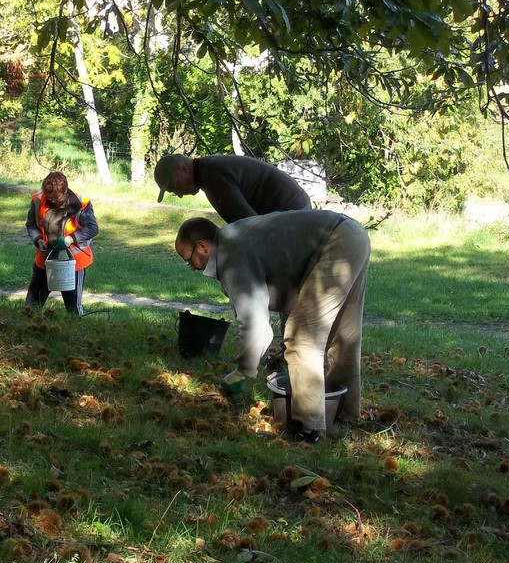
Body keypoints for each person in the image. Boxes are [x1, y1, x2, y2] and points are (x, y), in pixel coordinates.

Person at [174, 210, 370, 442]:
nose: (192, 268)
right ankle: (345, 414)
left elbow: (257, 327)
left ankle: (308, 429)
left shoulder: (231, 257)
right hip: (352, 235)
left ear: (203, 247)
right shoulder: (233, 238)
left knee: (300, 338)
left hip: (335, 243)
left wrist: (242, 371)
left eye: (189, 260)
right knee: (343, 334)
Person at [154, 154, 312, 223]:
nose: (179, 195)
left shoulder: (211, 177)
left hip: (292, 212)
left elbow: (247, 224)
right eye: (173, 193)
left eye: (174, 187)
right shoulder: (208, 168)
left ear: (183, 169)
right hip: (293, 208)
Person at [25, 171, 98, 315]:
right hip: (45, 260)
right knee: (31, 307)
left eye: (56, 198)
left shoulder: (81, 203)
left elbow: (92, 228)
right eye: (49, 197)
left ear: (65, 191)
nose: (52, 201)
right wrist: (38, 239)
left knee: (73, 310)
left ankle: (75, 332)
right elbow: (31, 224)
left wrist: (70, 239)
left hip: (73, 263)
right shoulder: (38, 200)